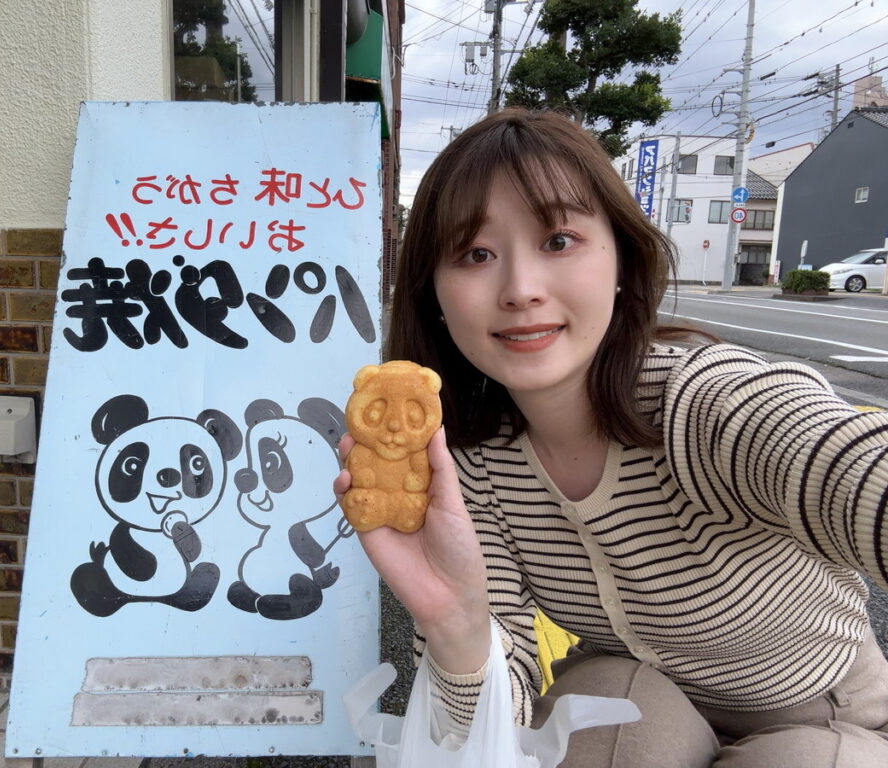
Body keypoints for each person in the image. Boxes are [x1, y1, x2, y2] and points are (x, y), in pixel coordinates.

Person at [334, 108, 888, 767]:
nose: (520, 290)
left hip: (819, 706)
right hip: (632, 689)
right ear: (435, 295)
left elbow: (842, 462)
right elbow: (486, 731)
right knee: (593, 726)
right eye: (476, 254)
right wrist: (455, 626)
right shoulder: (467, 468)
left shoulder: (704, 404)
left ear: (622, 255)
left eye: (559, 241)